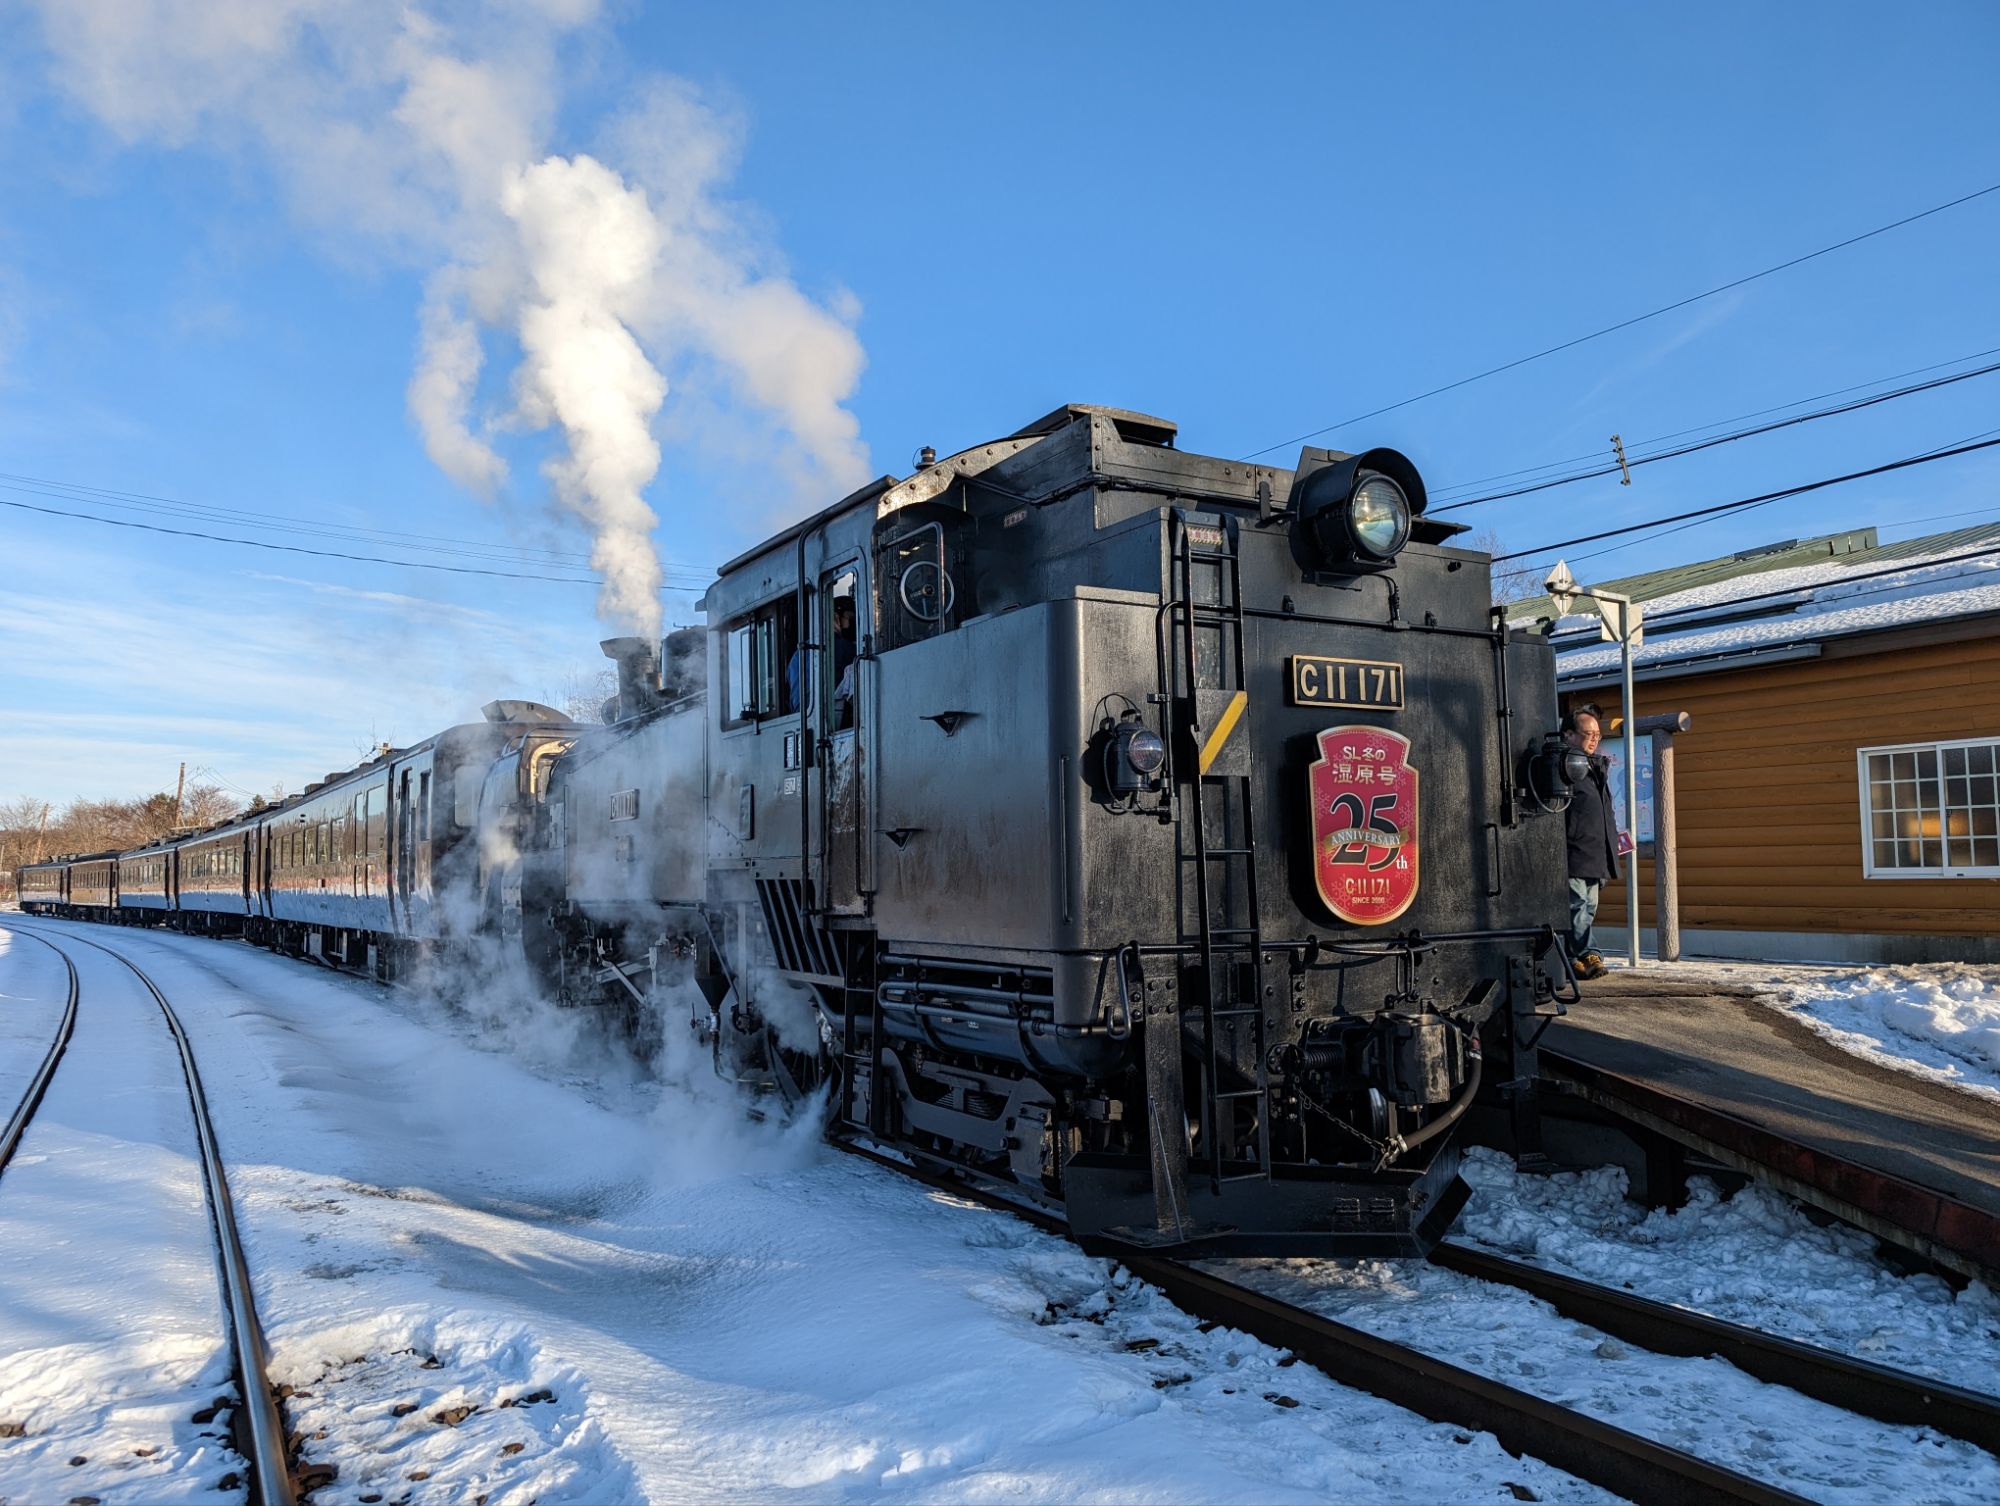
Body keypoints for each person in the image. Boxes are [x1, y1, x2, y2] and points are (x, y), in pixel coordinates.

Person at [1562, 705, 1621, 980]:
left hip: (1596, 853)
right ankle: (1590, 954)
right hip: (1574, 853)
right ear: (1570, 735)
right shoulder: (1565, 767)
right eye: (1589, 733)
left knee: (1589, 908)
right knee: (1577, 907)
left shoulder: (1595, 767)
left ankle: (1572, 959)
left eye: (1598, 734)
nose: (1595, 738)